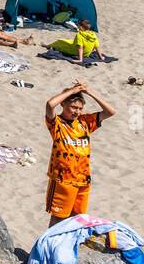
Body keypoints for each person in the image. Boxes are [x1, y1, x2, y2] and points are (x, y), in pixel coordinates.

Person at [43, 81, 115, 225]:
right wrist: (72, 90)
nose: (77, 112)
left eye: (80, 108)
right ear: (63, 104)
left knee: (76, 219)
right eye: (73, 107)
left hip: (83, 179)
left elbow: (110, 112)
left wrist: (89, 92)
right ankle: (51, 246)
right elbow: (50, 104)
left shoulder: (84, 122)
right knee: (58, 219)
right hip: (62, 181)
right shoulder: (56, 124)